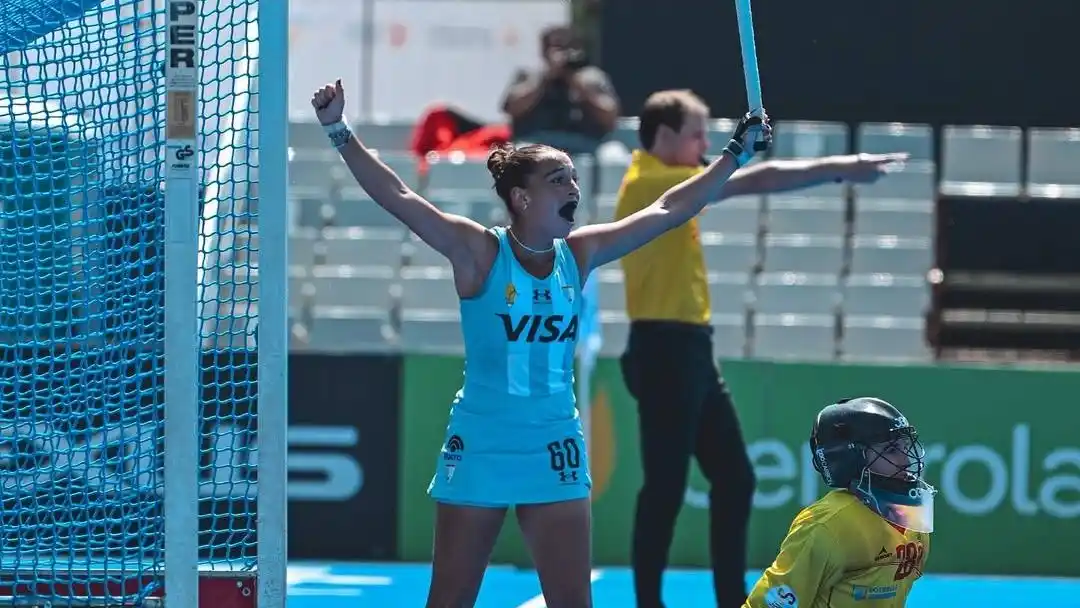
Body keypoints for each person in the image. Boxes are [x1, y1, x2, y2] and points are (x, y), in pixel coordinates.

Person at [310, 79, 771, 608]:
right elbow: (400, 197)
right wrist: (338, 129)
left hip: (556, 442)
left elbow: (669, 209)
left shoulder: (580, 254)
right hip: (482, 440)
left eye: (573, 178)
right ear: (523, 197)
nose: (573, 188)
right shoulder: (479, 252)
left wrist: (734, 153)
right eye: (559, 180)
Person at [615, 89, 909, 608]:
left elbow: (751, 178)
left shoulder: (675, 181)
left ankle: (732, 601)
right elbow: (758, 179)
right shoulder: (651, 182)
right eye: (696, 135)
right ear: (664, 138)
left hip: (691, 348)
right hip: (662, 348)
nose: (705, 144)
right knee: (665, 486)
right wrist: (841, 165)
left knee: (735, 478)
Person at [743, 397, 934, 607]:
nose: (906, 460)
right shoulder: (825, 526)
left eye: (905, 446)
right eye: (890, 450)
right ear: (851, 459)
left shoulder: (913, 518)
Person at [501, 25, 619, 156]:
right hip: (536, 142)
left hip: (585, 142)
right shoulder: (528, 76)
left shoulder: (592, 78)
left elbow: (610, 116)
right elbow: (511, 109)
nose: (564, 53)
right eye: (557, 47)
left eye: (569, 47)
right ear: (544, 51)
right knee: (518, 154)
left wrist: (581, 87)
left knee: (613, 156)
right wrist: (545, 79)